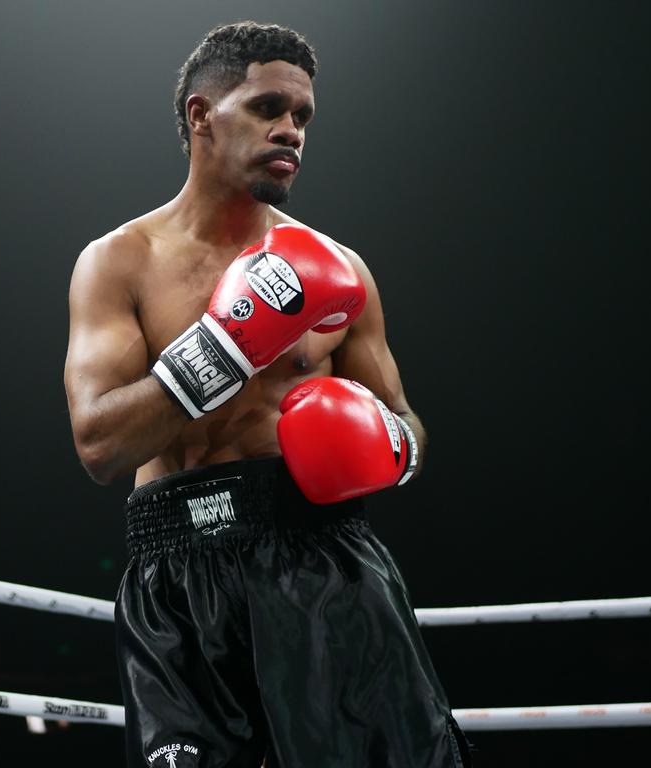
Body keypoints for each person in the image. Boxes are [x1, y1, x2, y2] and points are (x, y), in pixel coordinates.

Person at [64, 21, 471, 768]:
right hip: (178, 574)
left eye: (302, 117)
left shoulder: (340, 268)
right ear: (200, 116)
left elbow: (407, 424)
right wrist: (229, 343)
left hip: (325, 562)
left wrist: (384, 442)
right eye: (267, 108)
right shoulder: (119, 263)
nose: (290, 130)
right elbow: (99, 446)